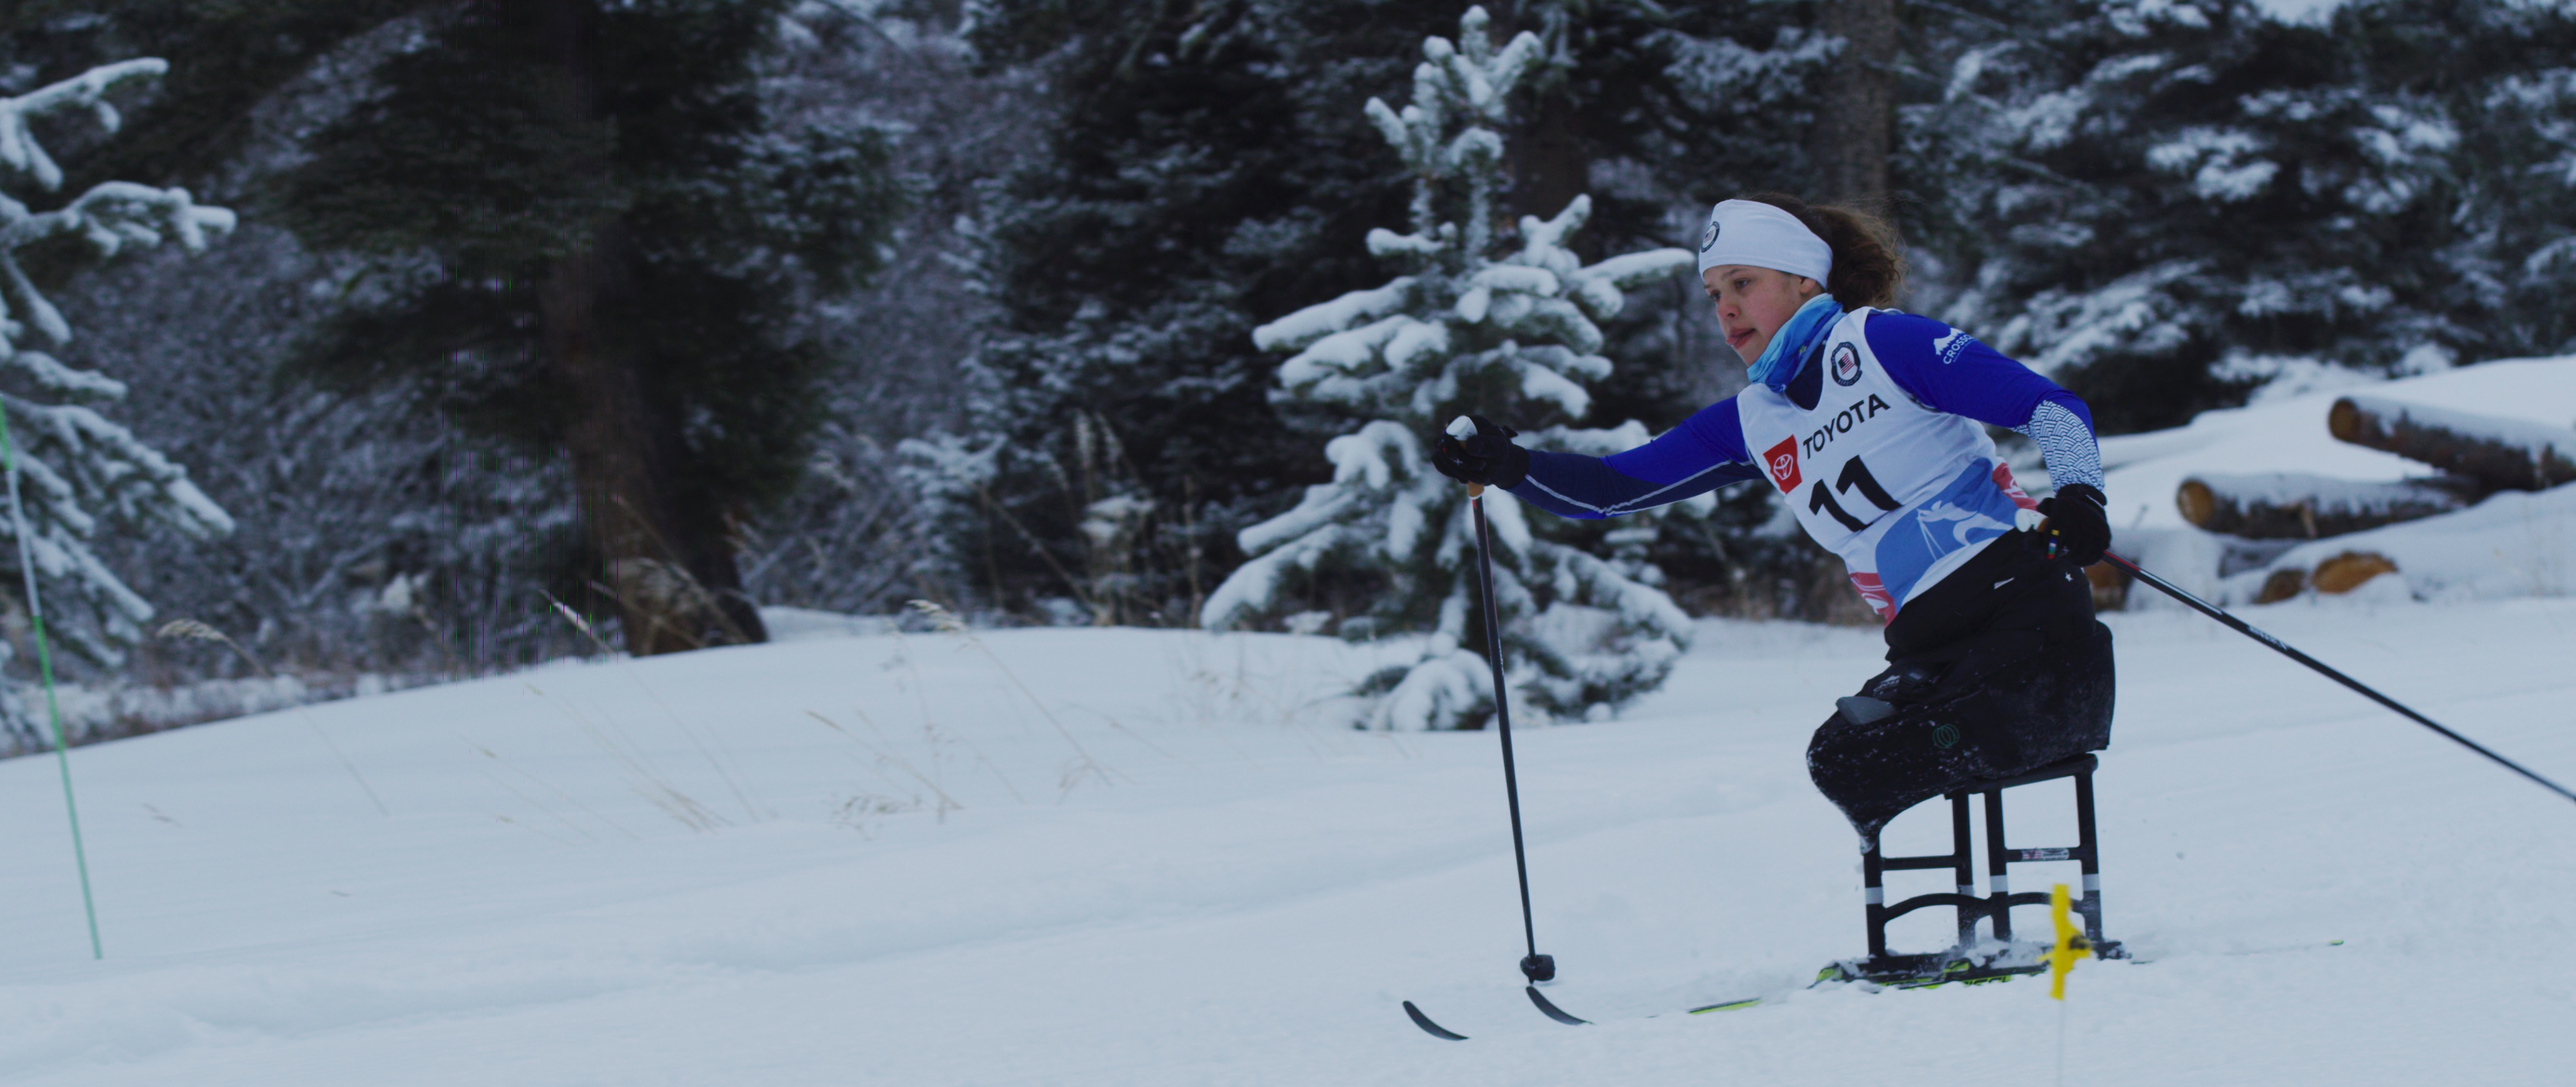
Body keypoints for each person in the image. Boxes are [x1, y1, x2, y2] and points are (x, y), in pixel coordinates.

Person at [1431, 194, 2116, 846]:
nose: (1727, 311)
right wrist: (1508, 465)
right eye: (1714, 296)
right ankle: (1929, 926)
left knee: (1929, 740)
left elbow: (2051, 410)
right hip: (1930, 651)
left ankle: (2038, 773)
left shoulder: (1884, 343)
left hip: (2020, 616)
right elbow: (1612, 488)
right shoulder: (1755, 421)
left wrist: (2081, 496)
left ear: (1804, 279)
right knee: (1843, 760)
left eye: (1743, 283)